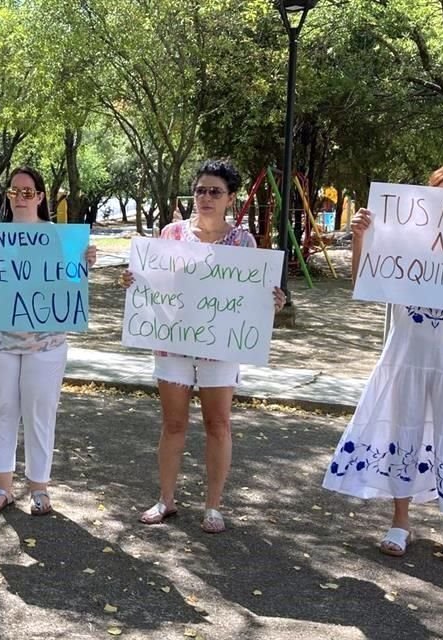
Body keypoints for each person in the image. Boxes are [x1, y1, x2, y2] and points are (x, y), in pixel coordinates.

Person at [121, 158, 285, 533]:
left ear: (230, 198)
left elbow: (252, 296)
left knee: (218, 423)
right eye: (200, 190)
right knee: (173, 423)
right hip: (172, 343)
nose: (206, 197)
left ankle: (213, 506)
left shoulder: (242, 242)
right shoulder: (171, 234)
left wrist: (271, 302)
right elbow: (152, 281)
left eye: (215, 191)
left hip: (221, 348)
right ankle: (166, 499)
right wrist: (133, 282)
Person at [323, 165, 443, 565]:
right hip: (406, 357)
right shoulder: (402, 242)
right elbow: (362, 282)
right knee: (403, 434)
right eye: (442, 197)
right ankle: (401, 520)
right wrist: (359, 237)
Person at [0, 166, 97, 516]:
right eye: (14, 192)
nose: (21, 198)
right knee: (2, 413)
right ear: (8, 196)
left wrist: (85, 261)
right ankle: (3, 487)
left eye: (28, 192)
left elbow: (70, 285)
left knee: (40, 415)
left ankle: (39, 489)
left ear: (41, 197)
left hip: (47, 346)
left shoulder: (60, 238)